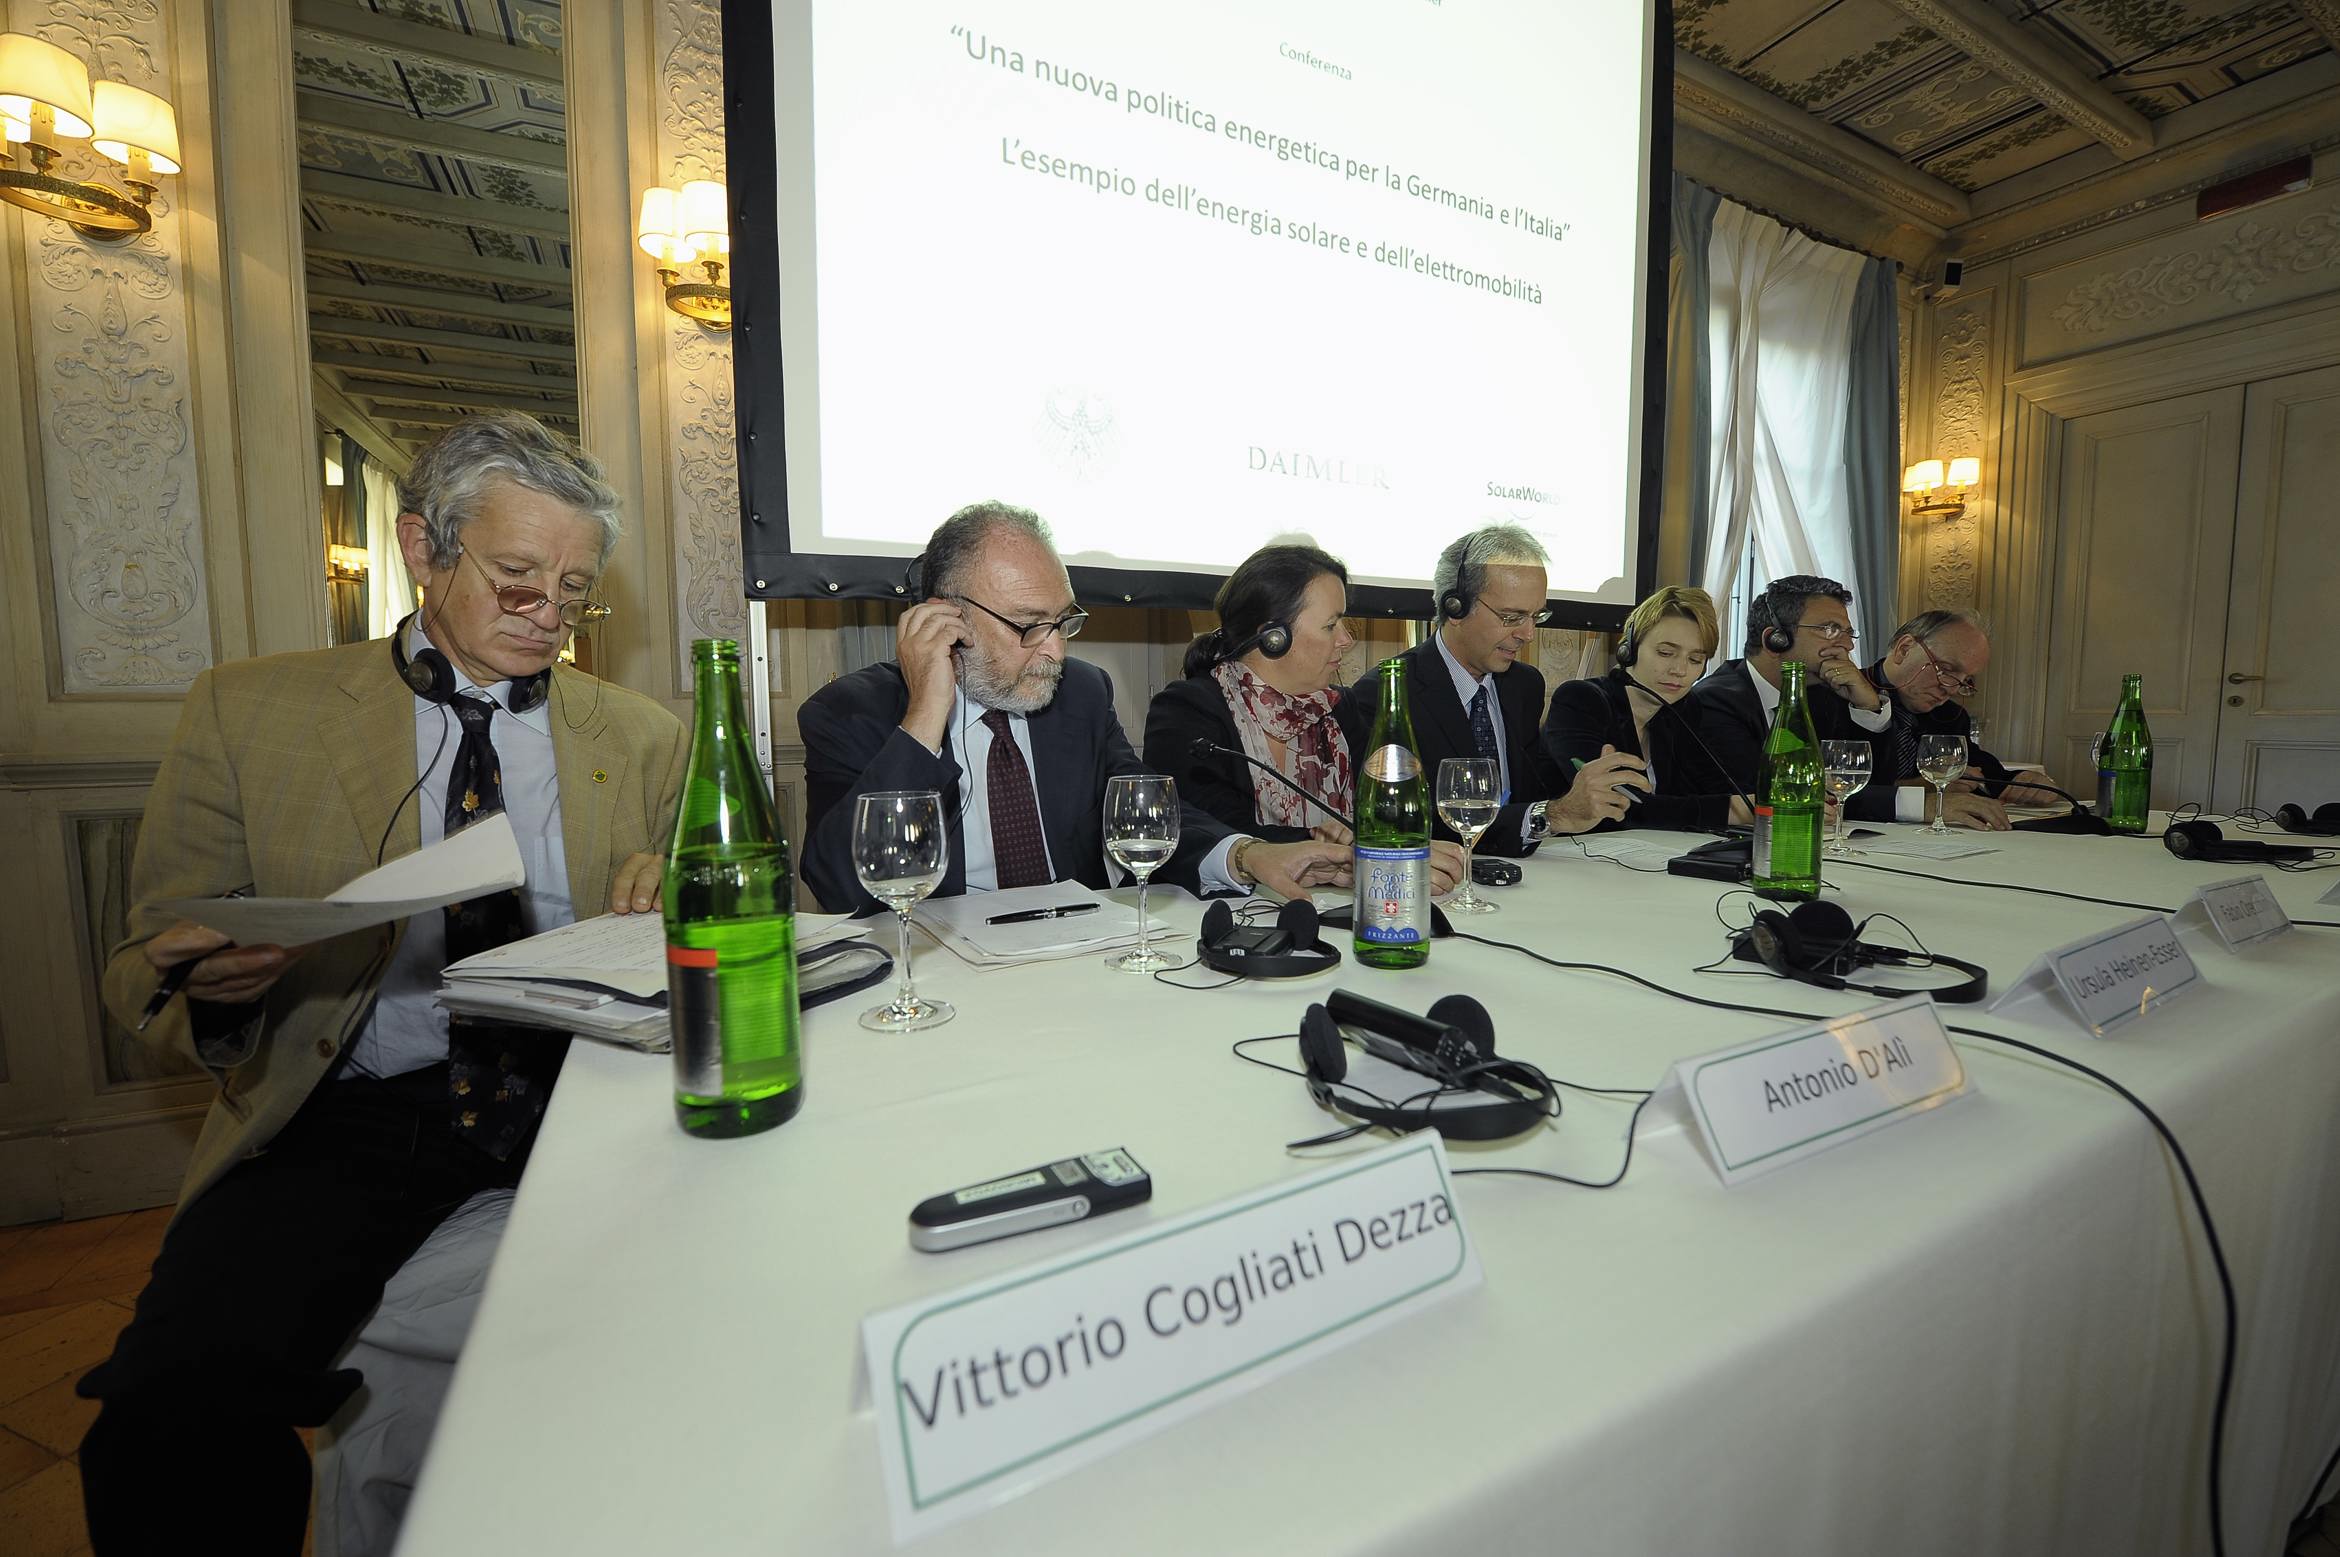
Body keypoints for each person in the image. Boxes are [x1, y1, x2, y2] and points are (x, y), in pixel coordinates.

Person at [76, 413, 688, 1556]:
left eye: (574, 591)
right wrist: (217, 986)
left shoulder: (644, 736)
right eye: (517, 578)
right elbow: (139, 969)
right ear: (422, 547)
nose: (548, 615)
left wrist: (683, 894)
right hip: (356, 1110)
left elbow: (734, 918)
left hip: (586, 1098)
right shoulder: (253, 711)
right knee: (172, 1413)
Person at [798, 502, 1354, 914]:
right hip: (939, 974)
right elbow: (840, 886)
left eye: (1063, 621)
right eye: (1028, 625)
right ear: (947, 619)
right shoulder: (851, 713)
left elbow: (1148, 811)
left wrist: (1247, 855)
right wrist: (925, 716)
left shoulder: (1080, 695)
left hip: (1077, 958)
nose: (1056, 651)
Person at [1342, 525, 1630, 855]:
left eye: (1536, 616)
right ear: (1455, 608)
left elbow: (1527, 795)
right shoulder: (1387, 693)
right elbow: (1403, 822)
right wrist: (1552, 815)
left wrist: (1584, 789)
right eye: (1511, 617)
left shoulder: (1525, 685)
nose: (1528, 634)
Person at [1687, 572, 2009, 828]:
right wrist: (1920, 805)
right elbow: (1773, 796)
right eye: (1830, 630)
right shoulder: (1717, 700)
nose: (1848, 646)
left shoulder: (1825, 696)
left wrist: (1868, 706)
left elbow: (1867, 784)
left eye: (1847, 633)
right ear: (1775, 639)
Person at [1144, 542, 1360, 841]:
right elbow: (1208, 833)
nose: (1346, 639)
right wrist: (1321, 842)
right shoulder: (1186, 710)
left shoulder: (1341, 709)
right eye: (1330, 625)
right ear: (1274, 637)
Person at [1542, 585, 1746, 832]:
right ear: (1629, 649)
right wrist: (1731, 811)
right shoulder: (1580, 701)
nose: (1680, 670)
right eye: (1665, 653)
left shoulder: (1684, 709)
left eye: (1695, 659)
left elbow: (1710, 786)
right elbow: (1619, 808)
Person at [1866, 609, 2062, 815]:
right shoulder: (1845, 696)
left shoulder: (1949, 715)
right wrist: (1922, 792)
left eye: (1965, 680)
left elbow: (1981, 771)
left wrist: (2025, 783)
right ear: (1904, 649)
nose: (1951, 689)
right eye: (1946, 670)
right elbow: (1847, 791)